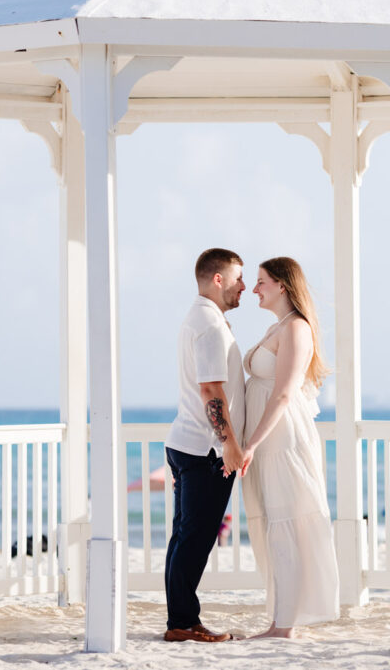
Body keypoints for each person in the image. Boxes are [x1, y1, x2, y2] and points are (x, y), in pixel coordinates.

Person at [240, 256, 339, 639]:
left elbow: (282, 395)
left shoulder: (296, 328)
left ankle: (284, 626)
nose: (254, 288)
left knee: (287, 524)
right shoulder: (275, 326)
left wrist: (250, 444)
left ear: (282, 285)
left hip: (281, 438)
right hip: (269, 438)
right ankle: (282, 619)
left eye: (261, 281)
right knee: (275, 524)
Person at [162, 247, 251, 643]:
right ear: (218, 279)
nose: (244, 287)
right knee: (194, 539)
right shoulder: (210, 325)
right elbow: (211, 390)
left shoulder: (199, 317)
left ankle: (181, 619)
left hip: (189, 443)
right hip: (205, 450)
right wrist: (229, 443)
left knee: (185, 536)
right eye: (238, 279)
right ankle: (182, 623)